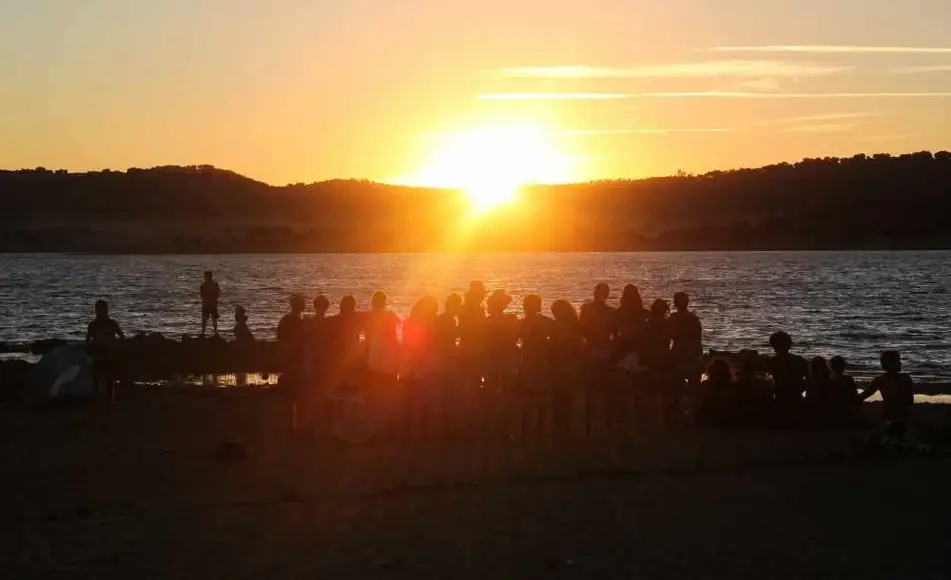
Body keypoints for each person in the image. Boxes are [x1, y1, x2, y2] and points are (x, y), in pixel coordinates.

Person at [579, 283, 618, 436]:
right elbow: (615, 333)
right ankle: (603, 423)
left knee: (593, 389)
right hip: (605, 352)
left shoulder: (586, 310)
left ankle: (593, 424)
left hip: (591, 351)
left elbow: (581, 330)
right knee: (603, 389)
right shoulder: (611, 312)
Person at [402, 295, 439, 439]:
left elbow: (407, 342)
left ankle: (411, 430)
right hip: (421, 365)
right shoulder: (429, 325)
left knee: (411, 399)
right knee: (420, 400)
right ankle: (417, 431)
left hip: (409, 364)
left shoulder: (408, 322)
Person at [860, 350, 915, 443]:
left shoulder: (880, 379)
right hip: (905, 419)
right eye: (898, 360)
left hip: (889, 417)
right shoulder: (906, 378)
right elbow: (910, 401)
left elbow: (864, 395)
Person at [519, 294, 553, 439]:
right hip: (539, 359)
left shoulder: (521, 323)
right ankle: (540, 427)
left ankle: (531, 428)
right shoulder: (546, 322)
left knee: (531, 396)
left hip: (530, 359)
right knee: (540, 395)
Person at [549, 299, 582, 441]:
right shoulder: (575, 326)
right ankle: (569, 427)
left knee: (559, 397)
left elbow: (557, 345)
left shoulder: (557, 327)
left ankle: (561, 428)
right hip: (572, 365)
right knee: (568, 397)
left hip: (561, 365)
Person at [766, 331, 808, 425]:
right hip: (797, 401)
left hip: (781, 402)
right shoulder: (799, 360)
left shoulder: (772, 362)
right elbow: (808, 381)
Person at [86, 299, 125, 400]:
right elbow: (88, 339)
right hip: (98, 355)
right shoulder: (93, 324)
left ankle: (110, 402)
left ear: (106, 310)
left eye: (101, 308)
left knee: (109, 380)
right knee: (96, 379)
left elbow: (122, 336)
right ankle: (97, 401)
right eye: (97, 308)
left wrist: (116, 348)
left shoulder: (112, 323)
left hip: (109, 355)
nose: (99, 311)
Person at [669, 292, 703, 390]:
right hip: (693, 356)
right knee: (695, 387)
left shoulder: (674, 318)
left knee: (676, 386)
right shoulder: (694, 319)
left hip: (679, 356)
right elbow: (698, 340)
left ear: (675, 303)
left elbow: (671, 335)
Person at [459, 281, 487, 390]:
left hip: (467, 345)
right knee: (473, 375)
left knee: (469, 375)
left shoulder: (465, 307)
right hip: (473, 346)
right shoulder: (475, 309)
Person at [827, 356, 861, 426]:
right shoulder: (848, 380)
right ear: (844, 367)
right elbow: (854, 395)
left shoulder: (828, 380)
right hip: (846, 409)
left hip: (832, 410)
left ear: (831, 367)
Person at [200, 271, 221, 337]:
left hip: (206, 304)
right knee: (214, 319)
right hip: (213, 304)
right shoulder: (215, 284)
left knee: (205, 319)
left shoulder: (203, 285)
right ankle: (215, 332)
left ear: (206, 276)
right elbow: (217, 295)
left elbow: (202, 295)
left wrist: (206, 299)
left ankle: (203, 332)